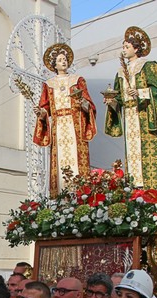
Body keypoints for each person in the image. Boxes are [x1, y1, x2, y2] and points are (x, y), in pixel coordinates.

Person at [103, 26, 157, 189]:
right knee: (131, 153)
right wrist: (112, 102)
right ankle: (134, 186)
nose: (124, 50)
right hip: (129, 117)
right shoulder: (120, 72)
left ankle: (151, 186)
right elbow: (120, 98)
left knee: (148, 153)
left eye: (127, 47)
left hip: (143, 114)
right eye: (123, 47)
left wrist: (140, 92)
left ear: (136, 49)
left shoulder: (148, 65)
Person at [33, 43, 97, 197]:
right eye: (60, 60)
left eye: (65, 59)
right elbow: (45, 108)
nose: (63, 61)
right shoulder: (48, 84)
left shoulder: (77, 80)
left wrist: (83, 104)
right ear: (54, 64)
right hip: (58, 128)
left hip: (75, 126)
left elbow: (89, 104)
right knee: (60, 163)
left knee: (76, 162)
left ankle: (81, 196)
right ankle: (61, 197)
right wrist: (40, 112)